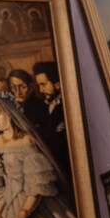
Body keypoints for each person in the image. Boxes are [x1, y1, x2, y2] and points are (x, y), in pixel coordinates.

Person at [33, 61, 73, 204]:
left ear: (57, 84)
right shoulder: (44, 105)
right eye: (39, 85)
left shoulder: (67, 105)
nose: (41, 89)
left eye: (44, 84)